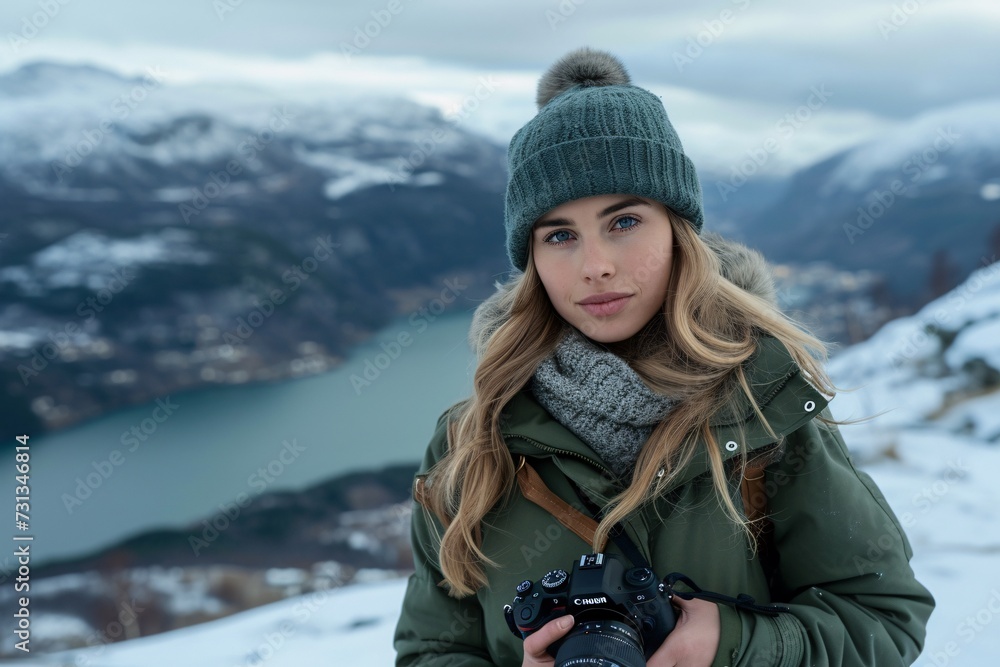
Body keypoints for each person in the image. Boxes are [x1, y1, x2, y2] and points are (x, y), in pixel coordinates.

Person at [393, 47, 934, 666]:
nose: (595, 266)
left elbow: (882, 623)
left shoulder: (763, 409)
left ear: (679, 233)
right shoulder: (473, 441)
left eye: (623, 222)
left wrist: (730, 644)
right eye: (560, 235)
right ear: (533, 261)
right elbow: (432, 650)